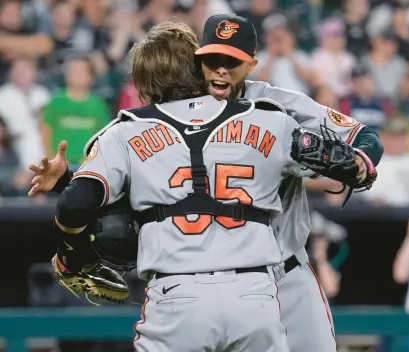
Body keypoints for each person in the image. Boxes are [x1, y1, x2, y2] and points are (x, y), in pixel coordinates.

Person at [29, 15, 383, 352]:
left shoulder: (274, 105)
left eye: (231, 61)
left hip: (282, 274)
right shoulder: (268, 121)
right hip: (248, 286)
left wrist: (362, 161)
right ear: (195, 64)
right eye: (211, 59)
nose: (220, 70)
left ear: (251, 65)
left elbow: (364, 137)